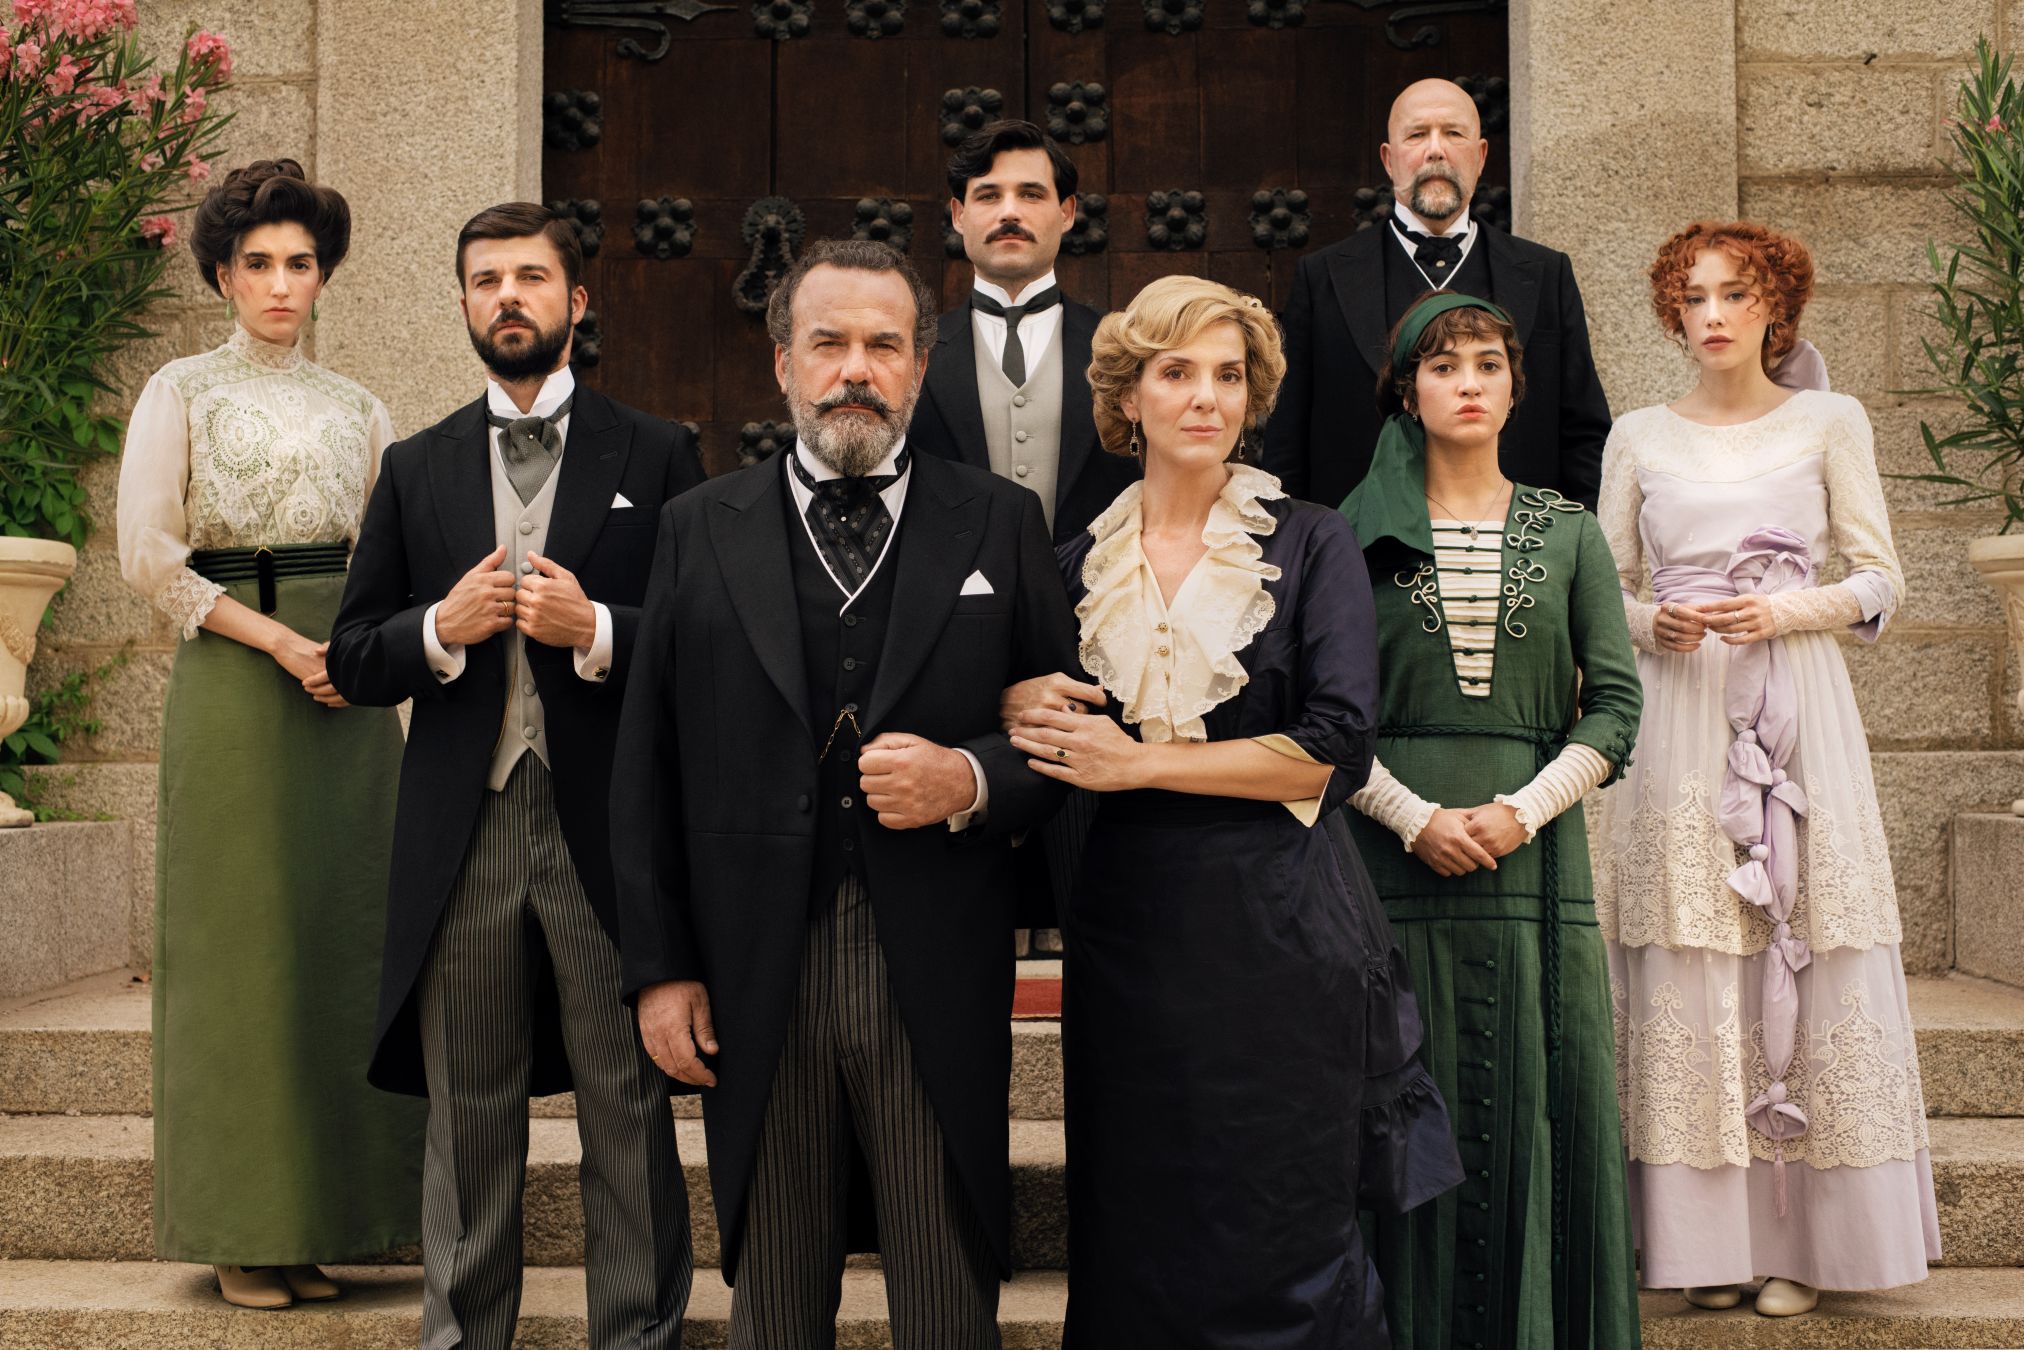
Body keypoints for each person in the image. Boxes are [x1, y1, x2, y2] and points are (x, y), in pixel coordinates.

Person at [612, 238, 1078, 1350]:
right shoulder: (697, 527)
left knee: (944, 1289)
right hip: (754, 964)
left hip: (938, 955)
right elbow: (647, 765)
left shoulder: (999, 520)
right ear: (783, 363)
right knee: (774, 1296)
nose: (854, 370)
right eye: (828, 343)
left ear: (920, 365)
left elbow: (1064, 743)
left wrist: (970, 776)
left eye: (883, 344)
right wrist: (661, 970)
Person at [999, 275, 1462, 1347]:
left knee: (1283, 1228)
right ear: (1129, 398)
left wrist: (1139, 765)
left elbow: (1337, 750)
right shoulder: (1071, 566)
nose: (1206, 396)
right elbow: (1045, 733)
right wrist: (1016, 703)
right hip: (1127, 937)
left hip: (1281, 929)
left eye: (1228, 375)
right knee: (1136, 1230)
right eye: (1177, 372)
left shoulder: (1309, 541)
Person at [326, 202, 704, 1349]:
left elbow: (707, 641)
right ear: (461, 304)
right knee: (470, 1114)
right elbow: (354, 655)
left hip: (609, 828)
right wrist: (436, 628)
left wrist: (599, 629)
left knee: (624, 1105)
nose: (507, 296)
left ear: (575, 300)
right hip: (466, 830)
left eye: (530, 277)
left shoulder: (658, 451)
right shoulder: (416, 465)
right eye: (486, 279)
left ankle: (636, 1336)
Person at [1594, 221, 1937, 1318]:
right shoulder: (1637, 435)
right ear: (1672, 311)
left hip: (1797, 712)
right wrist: (1653, 623)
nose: (1713, 314)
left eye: (1735, 294)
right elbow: (1602, 589)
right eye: (1693, 296)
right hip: (1680, 714)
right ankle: (1707, 1244)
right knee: (1692, 945)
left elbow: (1881, 579)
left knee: (1805, 935)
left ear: (1774, 309)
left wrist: (1783, 611)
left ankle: (1806, 1244)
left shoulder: (1830, 419)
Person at [114, 158, 426, 1312]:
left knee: (345, 939)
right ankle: (242, 1229)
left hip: (345, 686)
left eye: (301, 263)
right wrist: (284, 644)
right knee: (241, 946)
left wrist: (357, 653)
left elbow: (384, 554)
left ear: (324, 276)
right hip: (238, 676)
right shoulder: (180, 392)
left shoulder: (361, 408)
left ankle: (330, 1220)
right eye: (259, 264)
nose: (281, 284)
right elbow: (150, 558)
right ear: (222, 276)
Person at [1340, 292, 1644, 1348]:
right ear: (1406, 393)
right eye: (1441, 366)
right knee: (1397, 1125)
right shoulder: (1345, 535)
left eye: (1485, 364)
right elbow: (1325, 718)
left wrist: (1521, 809)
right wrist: (1412, 816)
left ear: (1515, 388)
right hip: (1387, 875)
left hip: (1536, 878)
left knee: (1537, 1116)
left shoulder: (1569, 533)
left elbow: (1615, 708)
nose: (1466, 383)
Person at [913, 118, 1140, 953]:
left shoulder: (1123, 349)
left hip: (1107, 666)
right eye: (988, 196)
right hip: (949, 663)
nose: (1009, 211)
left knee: (1105, 922)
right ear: (958, 215)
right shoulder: (912, 355)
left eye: (1031, 194)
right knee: (960, 934)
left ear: (1068, 212)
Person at [1265, 78, 1611, 511]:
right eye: (1417, 135)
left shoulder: (1546, 272)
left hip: (1521, 540)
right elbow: (1287, 437)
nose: (1435, 150)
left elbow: (1584, 431)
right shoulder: (1321, 276)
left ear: (1481, 156)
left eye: (1453, 133)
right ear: (1389, 160)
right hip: (1356, 542)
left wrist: (1576, 538)